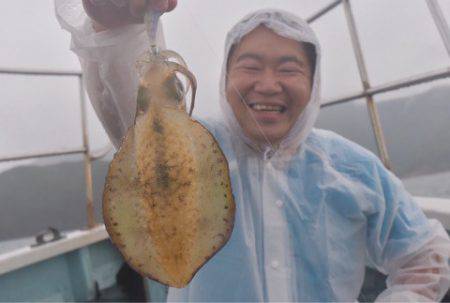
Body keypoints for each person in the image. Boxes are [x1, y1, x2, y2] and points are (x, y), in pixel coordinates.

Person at [56, 0, 450, 301]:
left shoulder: (354, 166)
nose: (267, 83)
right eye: (250, 66)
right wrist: (115, 26)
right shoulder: (194, 145)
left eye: (289, 69)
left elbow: (424, 252)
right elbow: (132, 119)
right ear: (226, 76)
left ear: (313, 84)